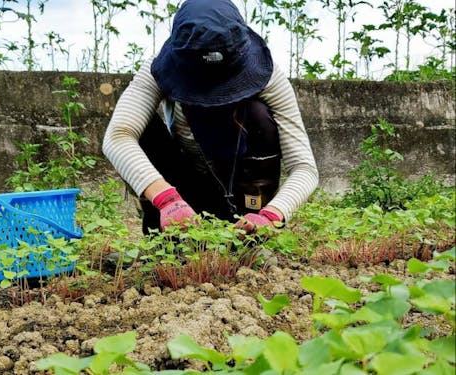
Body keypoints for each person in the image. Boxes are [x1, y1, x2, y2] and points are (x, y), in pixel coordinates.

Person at [103, 0, 318, 234]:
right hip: (183, 195)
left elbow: (304, 168)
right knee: (142, 130)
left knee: (258, 114)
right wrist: (166, 199)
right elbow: (117, 138)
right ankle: (168, 236)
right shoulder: (156, 72)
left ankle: (251, 233)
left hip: (245, 204)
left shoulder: (269, 77)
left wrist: (271, 215)